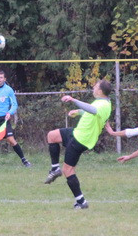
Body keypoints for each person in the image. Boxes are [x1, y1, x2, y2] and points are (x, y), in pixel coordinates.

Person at [43, 80, 113, 209]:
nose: (93, 88)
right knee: (52, 136)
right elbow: (91, 112)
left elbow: (92, 110)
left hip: (81, 139)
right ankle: (55, 168)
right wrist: (78, 112)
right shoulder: (102, 102)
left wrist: (73, 99)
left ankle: (81, 202)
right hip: (77, 132)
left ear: (100, 91)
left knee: (68, 170)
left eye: (95, 86)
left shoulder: (103, 104)